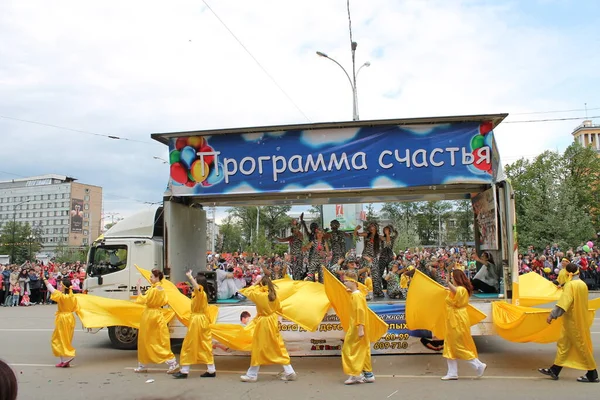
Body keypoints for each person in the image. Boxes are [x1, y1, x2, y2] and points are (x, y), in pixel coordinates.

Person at [538, 263, 599, 383]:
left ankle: (592, 373)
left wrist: (552, 315)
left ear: (567, 273)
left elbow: (564, 303)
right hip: (579, 319)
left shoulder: (571, 285)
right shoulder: (582, 284)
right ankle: (555, 369)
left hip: (573, 321)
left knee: (581, 346)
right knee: (564, 345)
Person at [240, 272, 297, 382]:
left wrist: (256, 282)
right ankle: (289, 371)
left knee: (258, 347)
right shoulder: (274, 295)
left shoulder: (260, 295)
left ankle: (252, 374)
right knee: (277, 346)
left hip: (264, 322)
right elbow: (279, 309)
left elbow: (246, 291)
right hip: (272, 321)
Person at [441, 269, 486, 380]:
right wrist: (448, 287)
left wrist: (448, 283)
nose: (451, 279)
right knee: (450, 345)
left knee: (458, 346)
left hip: (458, 320)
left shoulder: (461, 289)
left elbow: (457, 291)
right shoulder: (459, 290)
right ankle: (452, 372)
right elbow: (454, 292)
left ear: (457, 278)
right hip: (454, 319)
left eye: (452, 278)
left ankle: (478, 365)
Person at [133, 269, 180, 374]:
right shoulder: (161, 289)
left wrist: (138, 289)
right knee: (159, 340)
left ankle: (144, 364)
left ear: (156, 277)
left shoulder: (153, 290)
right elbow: (164, 301)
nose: (150, 278)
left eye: (151, 277)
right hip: (158, 315)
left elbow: (143, 300)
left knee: (146, 340)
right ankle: (170, 363)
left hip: (150, 316)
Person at [173, 270, 216, 379]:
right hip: (201, 320)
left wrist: (190, 277)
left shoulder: (200, 293)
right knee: (204, 345)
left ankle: (184, 371)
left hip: (197, 321)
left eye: (195, 281)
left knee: (189, 345)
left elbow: (197, 287)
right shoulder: (200, 294)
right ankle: (211, 369)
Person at [340, 271, 375, 385]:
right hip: (360, 326)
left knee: (349, 350)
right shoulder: (358, 294)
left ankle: (355, 374)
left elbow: (360, 312)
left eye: (346, 281)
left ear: (352, 281)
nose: (344, 282)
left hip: (357, 327)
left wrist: (360, 328)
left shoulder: (356, 296)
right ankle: (368, 374)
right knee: (363, 349)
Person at [42, 273, 79, 368]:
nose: (59, 286)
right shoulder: (72, 296)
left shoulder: (62, 296)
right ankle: (63, 360)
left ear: (63, 286)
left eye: (60, 285)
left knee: (59, 339)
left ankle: (67, 357)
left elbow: (50, 288)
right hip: (70, 318)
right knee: (66, 338)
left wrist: (44, 278)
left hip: (63, 318)